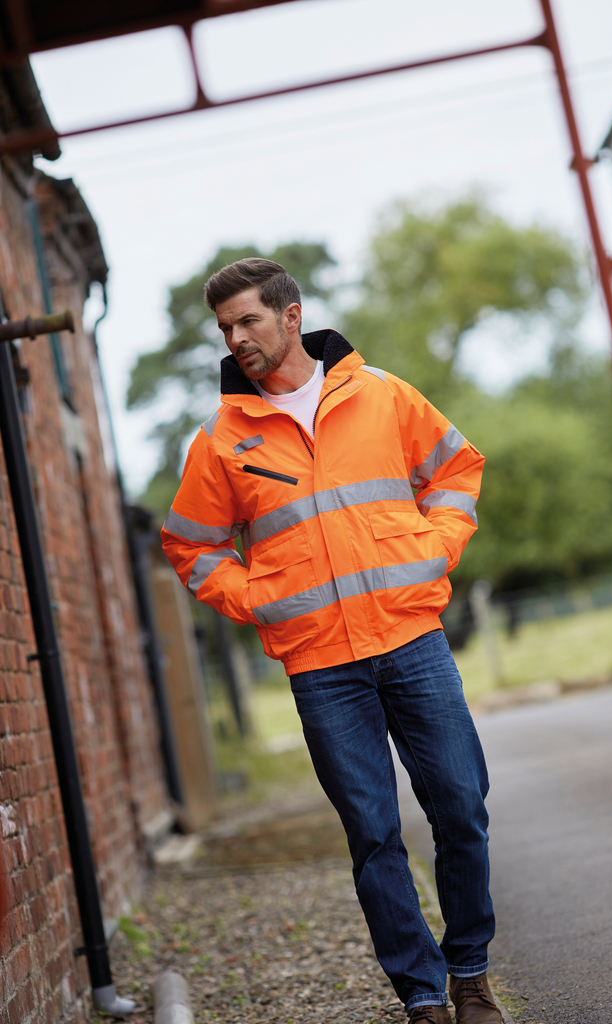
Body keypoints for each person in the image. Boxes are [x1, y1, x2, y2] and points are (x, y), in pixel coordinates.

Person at [161, 258, 502, 1024]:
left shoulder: (380, 394)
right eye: (224, 327)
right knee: (373, 835)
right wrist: (256, 599)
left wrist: (435, 548)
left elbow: (456, 468)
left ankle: (471, 974)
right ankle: (422, 998)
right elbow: (190, 544)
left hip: (411, 640)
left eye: (247, 320)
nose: (235, 337)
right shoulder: (221, 439)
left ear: (291, 316)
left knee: (460, 807)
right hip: (321, 666)